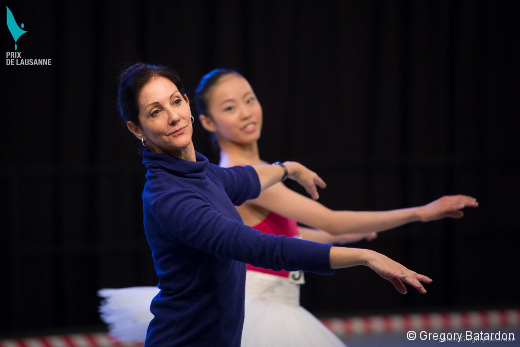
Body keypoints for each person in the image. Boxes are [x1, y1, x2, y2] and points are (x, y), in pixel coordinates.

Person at [98, 63, 433, 347]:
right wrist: (363, 256)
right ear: (136, 128)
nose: (173, 116)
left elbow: (246, 179)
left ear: (187, 103)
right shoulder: (170, 196)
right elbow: (258, 246)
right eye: (156, 112)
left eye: (175, 102)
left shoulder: (202, 174)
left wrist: (288, 169)